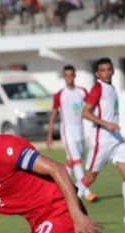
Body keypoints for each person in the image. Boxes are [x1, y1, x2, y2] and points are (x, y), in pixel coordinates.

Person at [81, 57, 125, 227]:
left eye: (109, 69)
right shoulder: (98, 88)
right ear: (97, 73)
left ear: (112, 71)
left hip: (116, 140)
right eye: (102, 70)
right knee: (90, 177)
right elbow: (85, 113)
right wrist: (107, 124)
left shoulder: (110, 88)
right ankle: (63, 206)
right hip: (102, 139)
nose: (106, 72)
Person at [46, 65, 96, 203]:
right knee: (77, 161)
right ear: (63, 76)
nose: (69, 77)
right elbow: (53, 114)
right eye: (66, 75)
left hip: (79, 129)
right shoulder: (60, 95)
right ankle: (85, 193)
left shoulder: (82, 92)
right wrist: (50, 135)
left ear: (74, 75)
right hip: (67, 130)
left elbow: (91, 106)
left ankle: (60, 188)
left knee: (72, 161)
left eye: (71, 74)